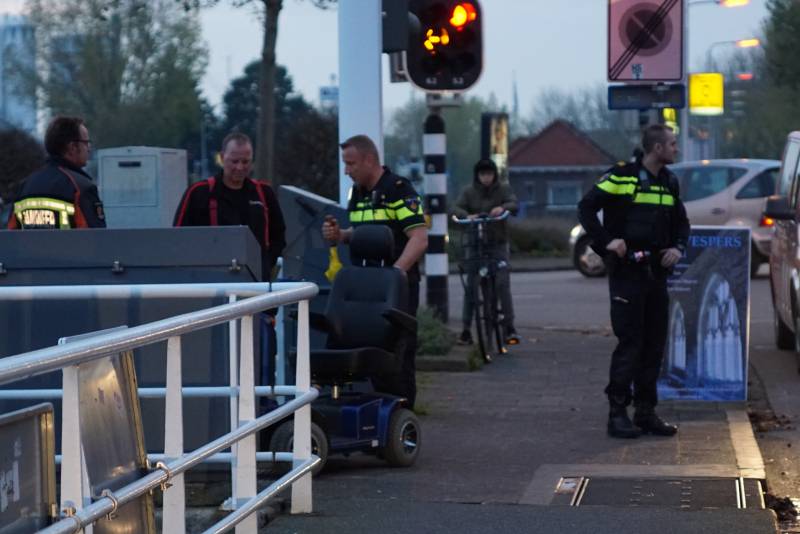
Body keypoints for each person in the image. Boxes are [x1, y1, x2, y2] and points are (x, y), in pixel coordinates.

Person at [578, 124, 690, 439]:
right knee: (631, 343)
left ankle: (645, 412)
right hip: (627, 274)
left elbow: (681, 223)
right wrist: (607, 241)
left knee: (654, 345)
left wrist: (677, 248)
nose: (676, 149)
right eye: (672, 144)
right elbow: (586, 208)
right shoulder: (622, 176)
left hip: (656, 275)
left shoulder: (669, 181)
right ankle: (617, 414)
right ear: (657, 148)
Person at [322, 134, 428, 407]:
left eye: (351, 164)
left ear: (369, 160)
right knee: (366, 353)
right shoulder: (358, 193)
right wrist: (341, 235)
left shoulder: (398, 190)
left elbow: (419, 239)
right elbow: (364, 233)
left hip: (396, 288)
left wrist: (394, 276)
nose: (346, 171)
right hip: (364, 287)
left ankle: (401, 415)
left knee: (396, 358)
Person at [173, 132, 286, 281]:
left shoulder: (264, 193)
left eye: (245, 162)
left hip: (257, 284)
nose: (240, 167)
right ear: (222, 157)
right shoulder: (199, 193)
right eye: (234, 161)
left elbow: (279, 237)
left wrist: (264, 265)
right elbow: (179, 238)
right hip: (211, 283)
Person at [452, 158, 520, 346]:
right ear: (477, 175)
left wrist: (502, 208)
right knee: (471, 286)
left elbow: (514, 204)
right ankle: (466, 330)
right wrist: (468, 216)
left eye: (489, 174)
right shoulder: (468, 191)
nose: (486, 178)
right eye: (483, 174)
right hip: (475, 244)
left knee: (502, 283)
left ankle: (509, 327)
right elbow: (456, 208)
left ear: (494, 175)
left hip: (497, 244)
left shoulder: (503, 189)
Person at [8, 116, 105, 229]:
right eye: (86, 143)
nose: (89, 148)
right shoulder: (81, 188)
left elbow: (12, 233)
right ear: (73, 147)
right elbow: (95, 236)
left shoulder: (24, 187)